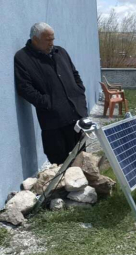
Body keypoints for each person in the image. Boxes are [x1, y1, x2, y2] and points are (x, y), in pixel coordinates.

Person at [14, 22, 88, 165]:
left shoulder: (61, 52)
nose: (52, 43)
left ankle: (81, 186)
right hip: (53, 122)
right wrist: (48, 103)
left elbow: (75, 74)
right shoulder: (23, 58)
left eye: (53, 39)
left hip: (76, 117)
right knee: (59, 164)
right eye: (48, 40)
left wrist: (79, 91)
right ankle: (62, 188)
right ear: (35, 39)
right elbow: (24, 88)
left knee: (81, 160)